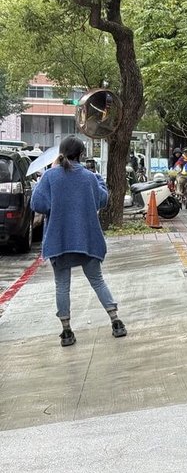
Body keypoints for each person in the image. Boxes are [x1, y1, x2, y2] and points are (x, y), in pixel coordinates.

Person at [30, 136, 127, 347]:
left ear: (61, 153)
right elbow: (102, 199)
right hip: (87, 239)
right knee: (97, 280)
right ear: (81, 154)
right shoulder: (89, 177)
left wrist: (45, 177)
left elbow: (37, 204)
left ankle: (66, 332)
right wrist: (99, 179)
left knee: (62, 285)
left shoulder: (50, 177)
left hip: (59, 240)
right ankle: (116, 321)